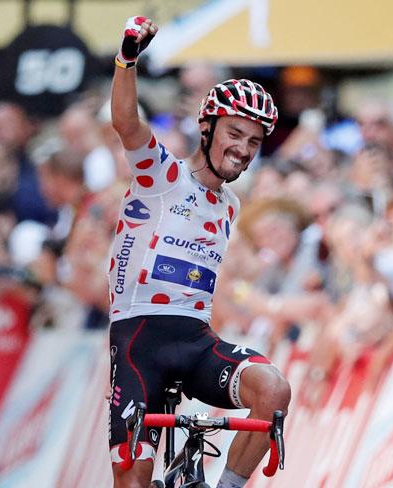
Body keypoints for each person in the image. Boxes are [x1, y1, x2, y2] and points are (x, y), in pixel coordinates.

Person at [107, 17, 290, 488]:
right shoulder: (161, 177)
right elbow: (126, 122)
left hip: (195, 341)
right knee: (131, 480)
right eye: (234, 134)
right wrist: (127, 58)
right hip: (138, 342)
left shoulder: (231, 205)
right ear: (206, 128)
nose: (243, 149)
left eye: (253, 141)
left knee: (273, 389)